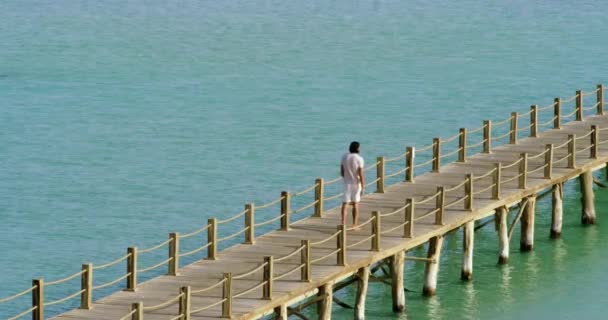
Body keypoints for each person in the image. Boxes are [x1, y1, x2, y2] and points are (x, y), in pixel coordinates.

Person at [340, 141, 365, 228]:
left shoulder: (344, 157)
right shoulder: (359, 159)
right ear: (357, 148)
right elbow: (361, 174)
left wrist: (346, 177)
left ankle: (343, 223)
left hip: (347, 183)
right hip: (356, 183)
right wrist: (363, 185)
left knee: (345, 204)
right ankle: (354, 224)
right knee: (355, 203)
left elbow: (342, 172)